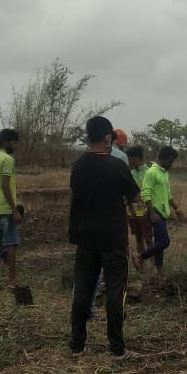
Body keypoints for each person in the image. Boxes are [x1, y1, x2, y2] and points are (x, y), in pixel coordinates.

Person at [69, 116, 140, 359]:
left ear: (88, 136)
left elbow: (77, 194)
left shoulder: (78, 165)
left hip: (85, 237)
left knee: (83, 289)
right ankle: (117, 349)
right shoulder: (117, 167)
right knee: (115, 290)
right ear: (108, 137)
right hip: (112, 238)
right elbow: (135, 198)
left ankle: (77, 346)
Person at [136, 146, 183, 278]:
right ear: (162, 158)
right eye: (169, 162)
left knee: (159, 242)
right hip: (155, 211)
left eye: (172, 162)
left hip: (163, 212)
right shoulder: (152, 172)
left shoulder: (164, 173)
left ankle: (160, 272)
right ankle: (141, 256)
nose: (171, 165)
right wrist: (152, 212)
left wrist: (177, 209)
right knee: (165, 241)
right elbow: (145, 193)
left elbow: (168, 195)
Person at [0, 129, 22, 290]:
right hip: (6, 208)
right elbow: (5, 185)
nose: (15, 146)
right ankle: (12, 280)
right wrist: (14, 210)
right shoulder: (8, 159)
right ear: (6, 142)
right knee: (11, 244)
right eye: (14, 143)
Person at [127, 145, 153, 256]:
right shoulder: (131, 174)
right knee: (138, 237)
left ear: (137, 158)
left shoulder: (149, 172)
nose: (129, 161)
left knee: (148, 237)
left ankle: (152, 263)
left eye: (131, 158)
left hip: (144, 207)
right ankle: (141, 262)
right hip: (133, 209)